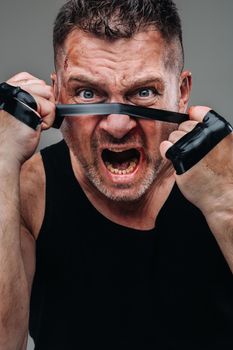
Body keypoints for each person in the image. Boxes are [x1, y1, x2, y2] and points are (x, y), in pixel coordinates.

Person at [0, 0, 232, 349]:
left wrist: (225, 203)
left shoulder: (227, 180)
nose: (118, 125)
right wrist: (1, 159)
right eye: (87, 93)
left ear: (181, 94)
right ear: (57, 92)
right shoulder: (28, 189)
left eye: (143, 92)